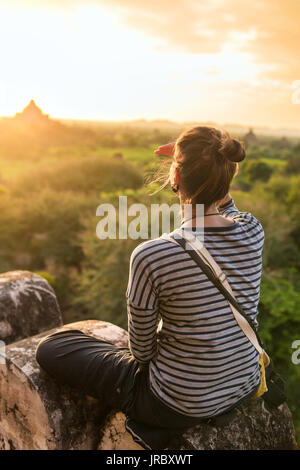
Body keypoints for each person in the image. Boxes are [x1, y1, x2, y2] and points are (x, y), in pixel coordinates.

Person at [35, 126, 264, 449]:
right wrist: (201, 166)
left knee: (54, 346)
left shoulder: (153, 254)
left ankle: (152, 422)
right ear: (226, 176)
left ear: (175, 179)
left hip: (175, 402)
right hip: (244, 381)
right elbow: (225, 207)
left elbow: (142, 352)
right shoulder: (252, 230)